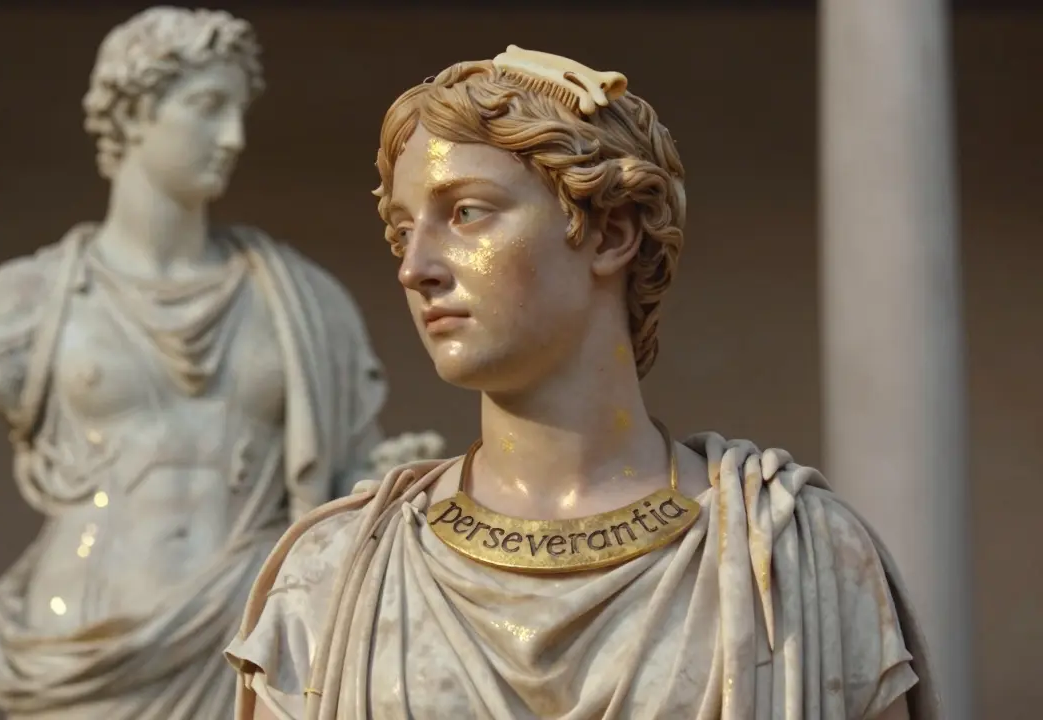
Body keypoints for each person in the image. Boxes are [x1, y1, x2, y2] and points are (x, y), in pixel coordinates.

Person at [225, 46, 938, 719]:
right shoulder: (329, 582)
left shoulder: (798, 565)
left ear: (610, 234)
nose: (416, 268)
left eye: (466, 213)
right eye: (402, 231)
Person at [0, 8, 387, 718]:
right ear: (135, 111)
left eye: (239, 112)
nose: (233, 138)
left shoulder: (304, 303)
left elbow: (344, 480)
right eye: (207, 108)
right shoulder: (19, 307)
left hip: (256, 635)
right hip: (84, 644)